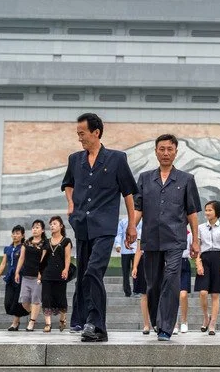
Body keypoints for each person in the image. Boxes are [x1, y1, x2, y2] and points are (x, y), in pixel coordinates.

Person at [61, 112, 138, 342]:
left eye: (82, 134)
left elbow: (128, 193)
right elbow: (68, 184)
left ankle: (96, 324)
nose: (79, 138)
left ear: (96, 133)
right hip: (82, 226)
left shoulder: (117, 159)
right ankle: (88, 323)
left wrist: (132, 226)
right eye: (78, 134)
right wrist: (71, 203)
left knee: (94, 270)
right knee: (85, 274)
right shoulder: (75, 159)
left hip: (105, 226)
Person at [134, 134, 201, 341]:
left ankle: (166, 327)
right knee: (153, 284)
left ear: (176, 152)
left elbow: (192, 213)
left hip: (175, 240)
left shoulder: (186, 179)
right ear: (155, 151)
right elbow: (138, 209)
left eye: (169, 149)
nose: (165, 153)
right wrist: (131, 229)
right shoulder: (145, 178)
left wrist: (196, 240)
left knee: (171, 280)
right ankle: (157, 321)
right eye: (161, 149)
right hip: (151, 239)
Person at [195, 200, 220, 336]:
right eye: (206, 210)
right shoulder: (200, 228)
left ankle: (212, 324)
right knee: (203, 292)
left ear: (217, 212)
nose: (207, 212)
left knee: (215, 294)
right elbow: (197, 246)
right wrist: (198, 263)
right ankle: (206, 317)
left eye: (210, 210)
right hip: (204, 258)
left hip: (217, 258)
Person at [40, 216, 72, 332]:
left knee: (61, 298)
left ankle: (62, 319)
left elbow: (68, 257)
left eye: (54, 224)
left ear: (61, 226)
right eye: (51, 224)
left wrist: (66, 269)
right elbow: (42, 259)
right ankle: (48, 324)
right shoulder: (46, 242)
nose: (52, 226)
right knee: (46, 298)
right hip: (47, 274)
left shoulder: (66, 241)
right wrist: (40, 273)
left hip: (60, 273)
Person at [0, 225, 29, 331]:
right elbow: (3, 263)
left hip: (20, 277)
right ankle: (30, 310)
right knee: (8, 302)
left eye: (18, 233)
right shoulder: (8, 248)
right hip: (10, 277)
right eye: (13, 233)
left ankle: (15, 323)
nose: (15, 235)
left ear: (22, 235)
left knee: (16, 301)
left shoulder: (24, 247)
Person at [14, 220, 47, 332]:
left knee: (36, 299)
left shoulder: (44, 243)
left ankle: (32, 322)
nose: (35, 229)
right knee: (24, 301)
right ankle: (34, 313)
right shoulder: (27, 242)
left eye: (37, 227)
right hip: (26, 276)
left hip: (37, 277)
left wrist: (40, 273)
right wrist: (17, 272)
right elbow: (21, 258)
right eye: (33, 227)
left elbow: (44, 259)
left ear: (42, 230)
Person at [175, 225, 193, 335]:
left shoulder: (189, 234)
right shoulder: (169, 233)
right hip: (172, 263)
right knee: (173, 295)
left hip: (184, 262)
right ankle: (173, 323)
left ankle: (184, 321)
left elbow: (193, 250)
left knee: (183, 294)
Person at [131, 239, 151, 335]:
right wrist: (135, 266)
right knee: (144, 294)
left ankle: (160, 323)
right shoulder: (141, 230)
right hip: (144, 260)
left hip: (158, 259)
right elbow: (139, 250)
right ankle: (146, 324)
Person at [115, 217, 137, 297]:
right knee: (125, 272)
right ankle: (127, 291)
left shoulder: (140, 221)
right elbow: (119, 233)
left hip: (137, 251)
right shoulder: (123, 221)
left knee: (137, 271)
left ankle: (136, 290)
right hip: (125, 251)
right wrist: (118, 245)